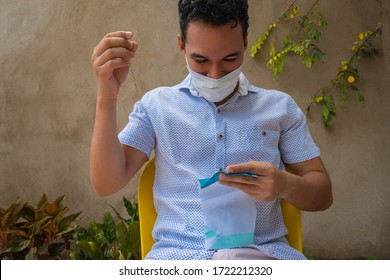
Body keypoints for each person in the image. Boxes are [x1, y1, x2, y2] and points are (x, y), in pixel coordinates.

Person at [90, 0, 332, 260]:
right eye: (201, 60)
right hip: (178, 259)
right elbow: (106, 183)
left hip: (261, 256)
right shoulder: (157, 107)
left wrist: (285, 184)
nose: (215, 75)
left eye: (230, 59)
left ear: (246, 42)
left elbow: (323, 194)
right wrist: (107, 97)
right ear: (182, 46)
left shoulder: (279, 109)